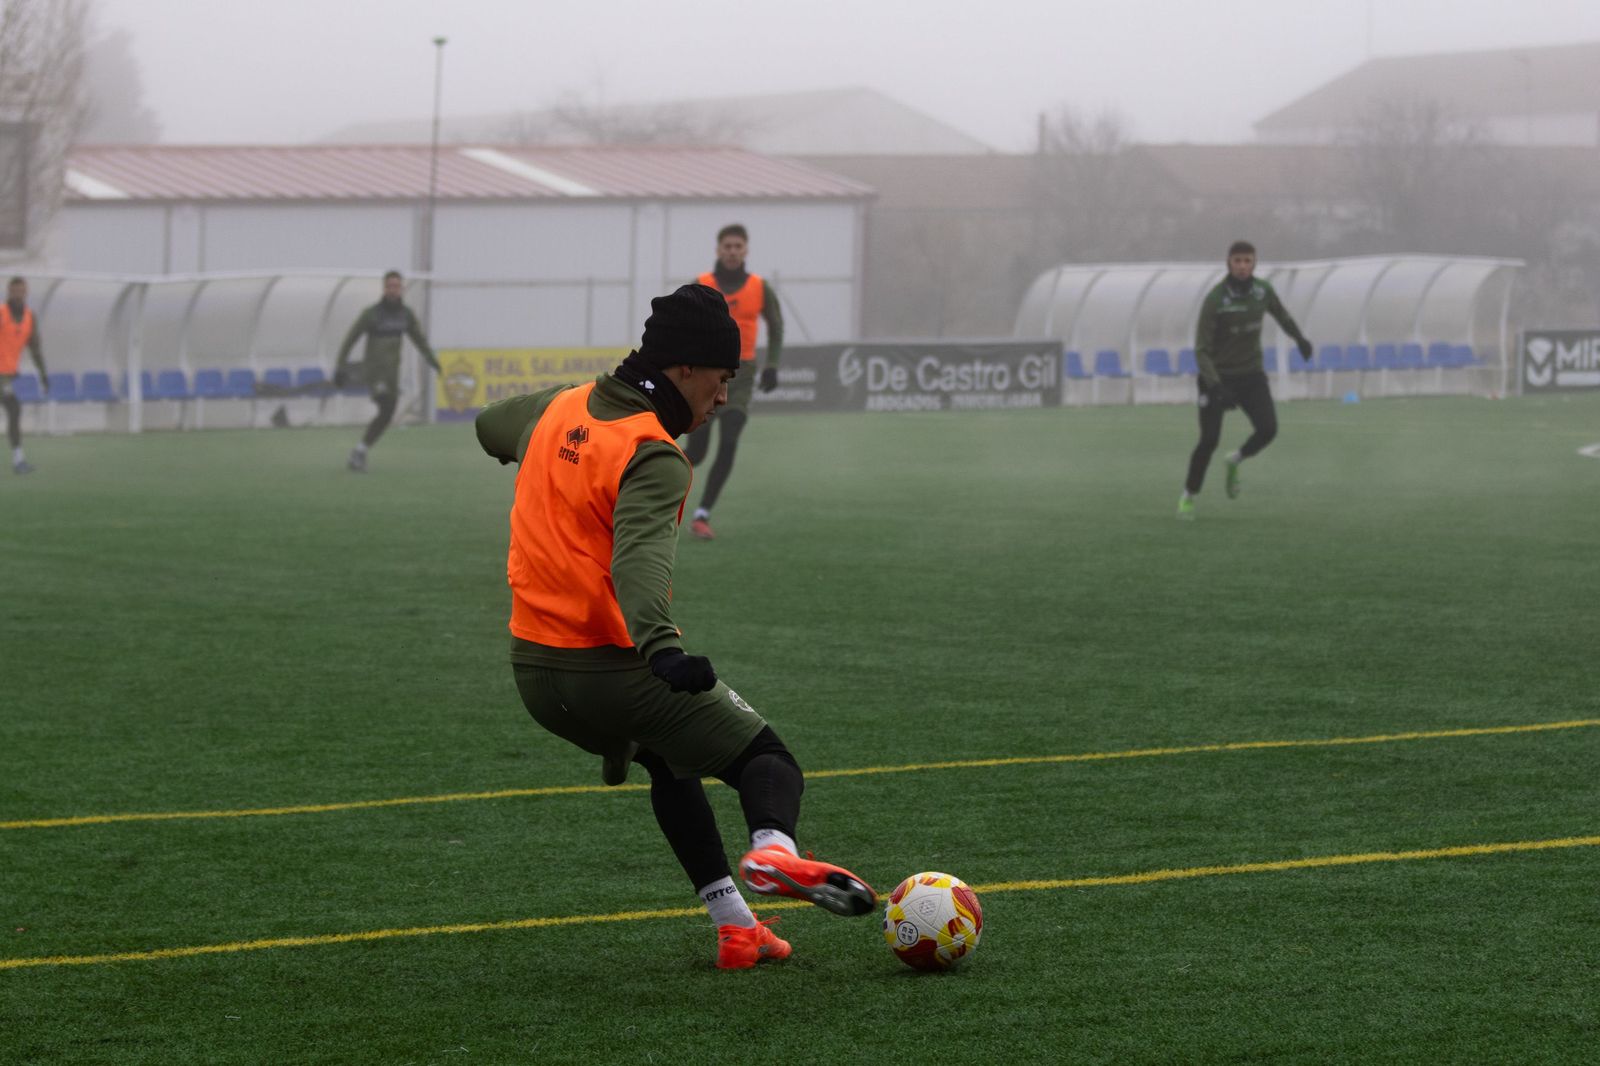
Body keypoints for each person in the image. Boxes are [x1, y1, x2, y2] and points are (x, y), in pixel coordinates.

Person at [474, 283, 874, 969]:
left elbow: (488, 425)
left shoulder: (561, 407)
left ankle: (736, 925)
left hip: (535, 676)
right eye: (722, 380)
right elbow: (638, 560)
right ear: (686, 368)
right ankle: (775, 854)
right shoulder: (654, 453)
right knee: (767, 761)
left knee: (668, 758)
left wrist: (544, 451)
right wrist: (662, 649)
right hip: (609, 672)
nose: (723, 399)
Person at [1179, 241, 1314, 520]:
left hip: (1251, 375)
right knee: (1209, 440)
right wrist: (1216, 386)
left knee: (1268, 429)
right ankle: (1189, 496)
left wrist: (1299, 339)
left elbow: (1282, 315)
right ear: (1228, 263)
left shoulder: (1262, 291)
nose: (1242, 266)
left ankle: (1235, 460)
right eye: (1237, 261)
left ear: (1254, 263)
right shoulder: (1216, 299)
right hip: (1217, 379)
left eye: (1247, 261)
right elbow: (1201, 350)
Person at [681, 224, 784, 540]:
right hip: (705, 373)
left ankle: (702, 515)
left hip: (741, 374)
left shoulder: (759, 287)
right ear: (718, 250)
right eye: (727, 246)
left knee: (730, 438)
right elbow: (680, 323)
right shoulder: (702, 284)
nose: (732, 251)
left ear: (746, 250)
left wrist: (773, 366)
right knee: (696, 453)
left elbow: (776, 326)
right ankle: (655, 487)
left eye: (738, 246)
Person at [333, 270, 440, 472]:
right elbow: (350, 339)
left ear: (401, 289)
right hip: (375, 372)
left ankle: (360, 451)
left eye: (397, 286)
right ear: (384, 288)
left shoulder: (405, 315)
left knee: (387, 414)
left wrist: (432, 360)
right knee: (386, 407)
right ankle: (359, 452)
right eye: (390, 286)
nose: (393, 290)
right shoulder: (371, 314)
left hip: (392, 374)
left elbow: (419, 339)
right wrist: (340, 365)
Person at [0, 277, 49, 475]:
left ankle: (19, 460)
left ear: (26, 293)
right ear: (9, 292)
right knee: (14, 408)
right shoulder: (2, 313)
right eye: (14, 291)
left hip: (7, 376)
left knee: (14, 410)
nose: (17, 294)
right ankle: (18, 460)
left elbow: (35, 349)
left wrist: (43, 375)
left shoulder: (30, 317)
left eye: (21, 291)